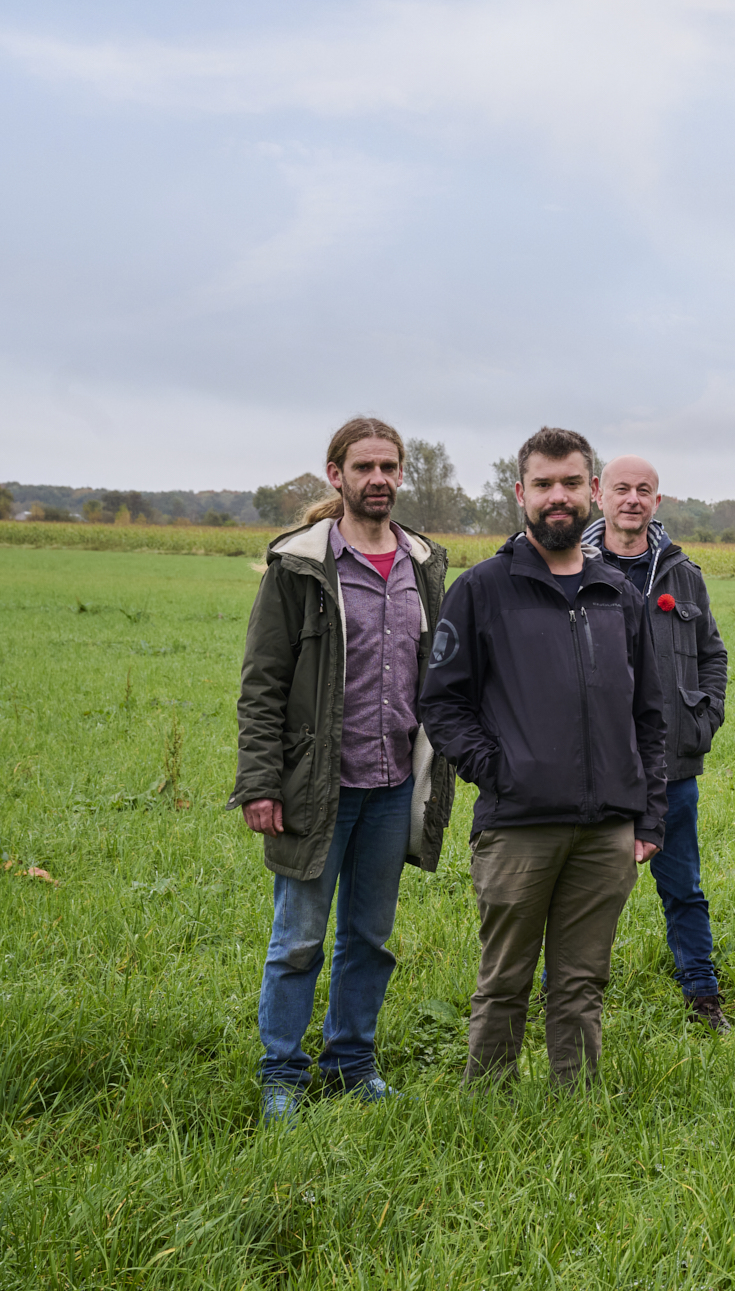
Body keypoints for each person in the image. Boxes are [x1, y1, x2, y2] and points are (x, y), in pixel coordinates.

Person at [418, 426, 668, 1089]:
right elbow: (442, 703)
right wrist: (501, 769)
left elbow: (649, 715)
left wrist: (648, 816)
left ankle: (575, 1102)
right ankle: (489, 1099)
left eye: (569, 483)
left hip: (607, 828)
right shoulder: (483, 590)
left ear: (591, 490)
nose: (557, 497)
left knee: (583, 979)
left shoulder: (620, 594)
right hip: (519, 825)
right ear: (520, 492)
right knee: (505, 978)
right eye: (542, 484)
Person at [231, 416, 455, 1124]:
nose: (379, 479)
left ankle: (352, 1063)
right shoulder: (299, 566)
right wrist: (260, 781)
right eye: (365, 467)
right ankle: (282, 1075)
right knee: (298, 938)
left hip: (393, 786)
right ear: (336, 475)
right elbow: (263, 681)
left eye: (390, 467)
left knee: (371, 937)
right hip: (314, 787)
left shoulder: (423, 562)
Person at [583, 455, 732, 1031]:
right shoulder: (573, 565)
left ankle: (702, 996)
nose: (632, 499)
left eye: (644, 490)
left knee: (684, 888)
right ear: (601, 495)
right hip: (596, 767)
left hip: (671, 765)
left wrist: (705, 715)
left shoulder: (681, 573)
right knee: (585, 893)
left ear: (657, 502)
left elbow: (712, 652)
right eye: (622, 488)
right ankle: (565, 997)